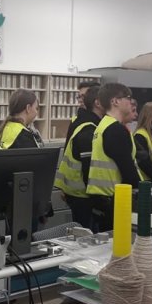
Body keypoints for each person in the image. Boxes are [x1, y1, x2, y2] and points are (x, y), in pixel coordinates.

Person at [86, 83, 140, 232]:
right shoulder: (115, 130)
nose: (131, 102)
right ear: (115, 101)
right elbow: (128, 170)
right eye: (128, 98)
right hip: (114, 199)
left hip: (102, 197)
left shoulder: (104, 125)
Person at [54, 85, 104, 231]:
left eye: (84, 96)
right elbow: (87, 165)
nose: (81, 100)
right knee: (86, 233)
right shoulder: (85, 125)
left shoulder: (93, 123)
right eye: (80, 96)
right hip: (82, 193)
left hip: (80, 191)